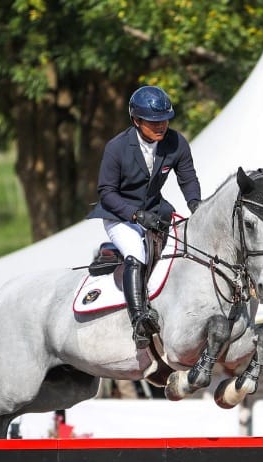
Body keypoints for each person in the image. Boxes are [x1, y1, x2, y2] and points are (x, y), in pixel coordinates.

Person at [86, 85, 202, 349]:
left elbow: (188, 177)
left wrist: (196, 205)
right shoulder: (117, 147)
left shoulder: (176, 142)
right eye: (154, 121)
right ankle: (138, 319)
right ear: (136, 120)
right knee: (136, 253)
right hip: (119, 214)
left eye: (165, 120)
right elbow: (106, 192)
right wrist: (136, 215)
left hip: (155, 209)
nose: (161, 126)